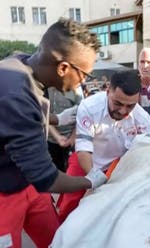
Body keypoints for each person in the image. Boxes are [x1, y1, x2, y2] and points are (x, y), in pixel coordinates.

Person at [0, 18, 107, 248]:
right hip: (4, 193)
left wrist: (58, 118)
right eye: (84, 75)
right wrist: (89, 181)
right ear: (63, 68)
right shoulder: (16, 93)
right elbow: (47, 179)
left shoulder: (21, 63)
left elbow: (19, 120)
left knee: (58, 238)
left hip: (28, 183)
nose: (82, 82)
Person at [57, 70, 150, 222]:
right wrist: (93, 180)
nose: (123, 111)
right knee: (69, 208)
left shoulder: (144, 120)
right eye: (117, 103)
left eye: (130, 106)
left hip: (118, 167)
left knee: (113, 213)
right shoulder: (89, 106)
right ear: (108, 90)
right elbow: (84, 148)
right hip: (86, 160)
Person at [46, 87, 82, 172]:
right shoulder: (45, 90)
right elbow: (44, 116)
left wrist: (72, 139)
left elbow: (81, 116)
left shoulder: (76, 89)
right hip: (51, 139)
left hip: (71, 141)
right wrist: (57, 136)